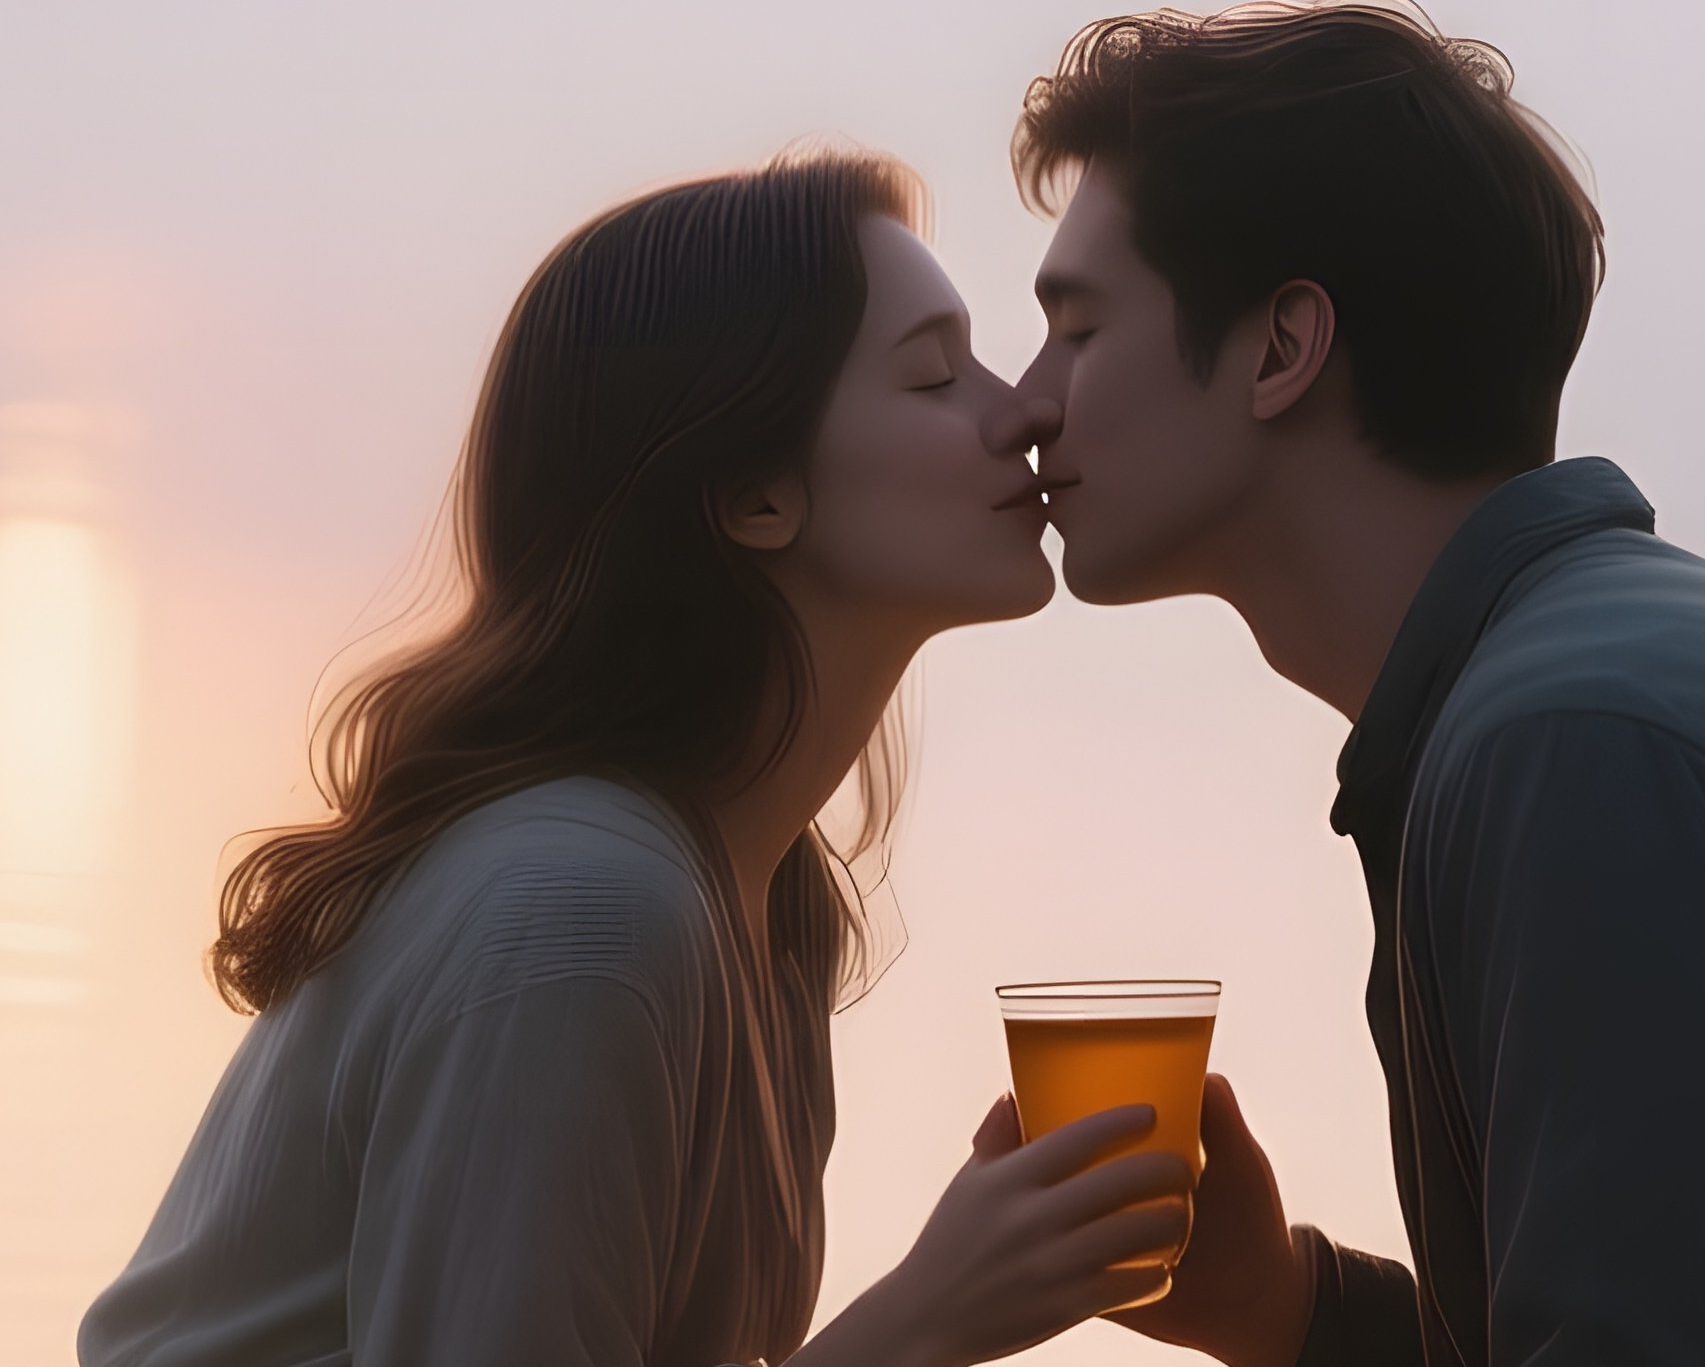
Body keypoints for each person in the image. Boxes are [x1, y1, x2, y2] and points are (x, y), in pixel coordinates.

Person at [78, 144, 1195, 1367]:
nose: (1025, 407)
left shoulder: (772, 909)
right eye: (935, 376)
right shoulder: (584, 913)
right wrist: (923, 1325)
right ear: (755, 495)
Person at [1008, 0, 1705, 1366]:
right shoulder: (1579, 690)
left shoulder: (1580, 752)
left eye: (1079, 329)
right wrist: (1291, 1312)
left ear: (1282, 348)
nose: (1027, 399)